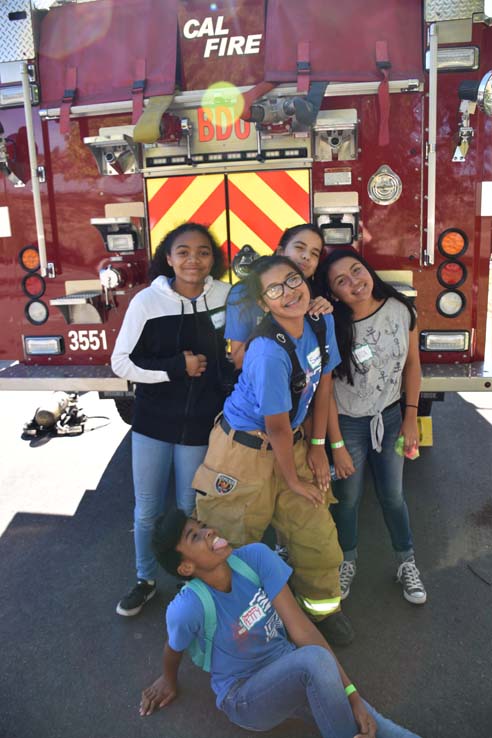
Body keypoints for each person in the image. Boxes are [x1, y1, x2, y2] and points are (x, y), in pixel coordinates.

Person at [140, 509, 422, 738]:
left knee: (375, 724)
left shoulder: (255, 558)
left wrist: (353, 695)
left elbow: (302, 629)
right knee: (314, 662)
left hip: (290, 666)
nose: (209, 531)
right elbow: (173, 646)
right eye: (195, 536)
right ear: (186, 568)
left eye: (202, 525)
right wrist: (168, 678)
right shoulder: (187, 608)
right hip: (244, 696)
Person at [192, 254, 353, 646]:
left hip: (293, 442)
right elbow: (275, 426)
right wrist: (294, 481)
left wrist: (318, 445)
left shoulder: (321, 320)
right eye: (275, 289)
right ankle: (231, 631)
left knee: (316, 535)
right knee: (229, 543)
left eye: (293, 280)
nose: (289, 292)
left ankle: (322, 611)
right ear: (264, 304)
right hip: (243, 453)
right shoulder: (265, 352)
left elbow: (324, 381)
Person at [111, 222, 233, 616]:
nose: (192, 260)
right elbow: (121, 363)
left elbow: (240, 349)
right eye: (183, 252)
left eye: (202, 252)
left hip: (200, 423)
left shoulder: (225, 297)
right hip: (152, 421)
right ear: (168, 258)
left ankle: (189, 580)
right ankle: (145, 579)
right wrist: (175, 368)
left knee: (187, 507)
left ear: (213, 259)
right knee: (146, 509)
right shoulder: (148, 301)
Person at [318, 249, 427, 605]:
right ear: (334, 293)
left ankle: (406, 561)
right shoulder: (333, 325)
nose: (355, 283)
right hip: (348, 425)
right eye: (341, 281)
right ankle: (345, 561)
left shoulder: (401, 310)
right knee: (347, 499)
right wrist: (336, 444)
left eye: (357, 271)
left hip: (393, 419)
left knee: (392, 495)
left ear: (368, 269)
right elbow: (327, 389)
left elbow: (413, 366)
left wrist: (410, 418)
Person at [226, 223, 330, 369]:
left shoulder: (309, 292)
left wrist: (322, 308)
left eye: (315, 253)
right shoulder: (243, 292)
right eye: (299, 247)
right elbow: (238, 360)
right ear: (281, 251)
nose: (306, 256)